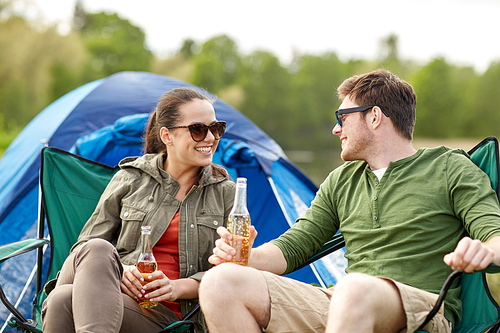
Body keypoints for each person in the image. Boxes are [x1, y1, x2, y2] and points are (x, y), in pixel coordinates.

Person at [199, 69, 500, 333]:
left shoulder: (450, 167)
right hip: (345, 300)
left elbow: (495, 236)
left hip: (422, 308)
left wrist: (482, 250)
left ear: (374, 116)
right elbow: (293, 247)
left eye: (342, 117)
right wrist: (245, 258)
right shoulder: (341, 180)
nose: (335, 129)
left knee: (354, 288)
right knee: (221, 283)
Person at [41, 87, 235, 333]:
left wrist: (177, 287)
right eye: (198, 129)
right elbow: (85, 248)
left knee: (61, 300)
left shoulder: (225, 193)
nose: (210, 138)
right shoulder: (131, 178)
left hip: (169, 316)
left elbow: (231, 275)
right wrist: (120, 271)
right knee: (97, 248)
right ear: (167, 135)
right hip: (111, 291)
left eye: (216, 128)